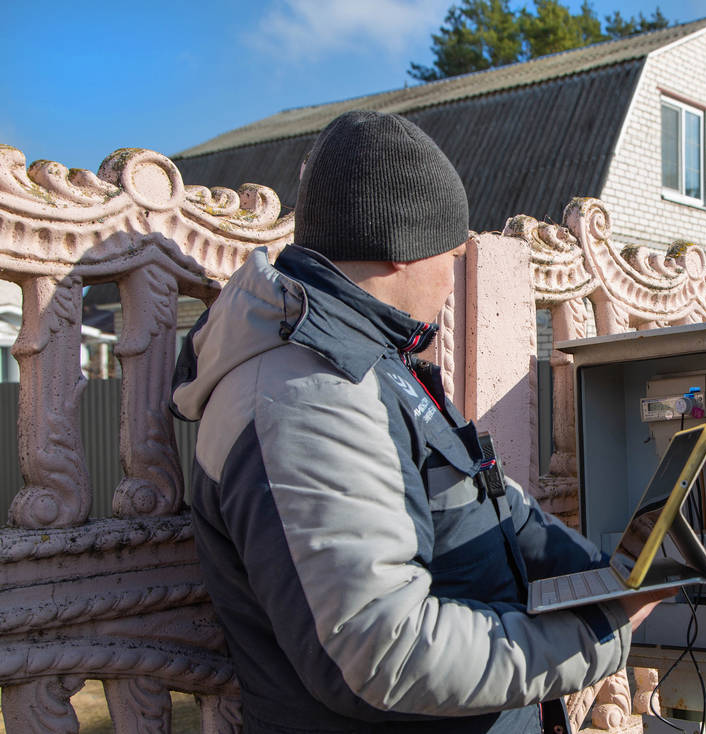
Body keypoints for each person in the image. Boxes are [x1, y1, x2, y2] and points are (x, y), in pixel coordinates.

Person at [171, 110, 668, 734]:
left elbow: (490, 502)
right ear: (400, 250)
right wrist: (596, 631)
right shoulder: (308, 391)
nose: (455, 272)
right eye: (451, 255)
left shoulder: (369, 363)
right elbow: (382, 653)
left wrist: (603, 577)